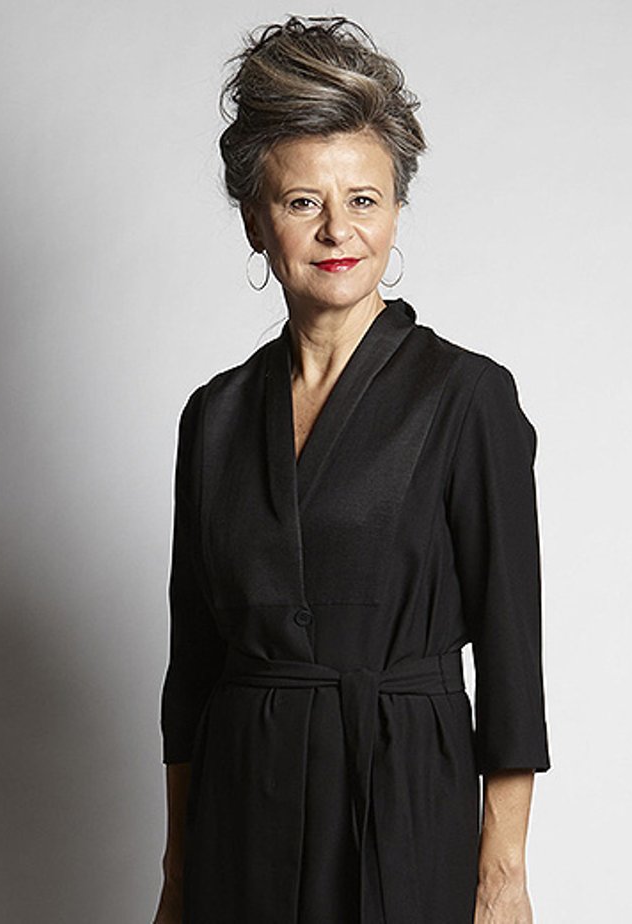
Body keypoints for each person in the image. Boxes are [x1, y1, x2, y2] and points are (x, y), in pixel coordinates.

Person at [153, 16, 551, 924]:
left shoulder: (467, 397)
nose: (339, 230)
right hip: (242, 817)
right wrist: (178, 875)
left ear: (397, 210)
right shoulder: (215, 417)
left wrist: (502, 877)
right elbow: (191, 674)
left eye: (364, 199)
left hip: (402, 801)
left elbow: (511, 658)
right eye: (303, 202)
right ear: (256, 220)